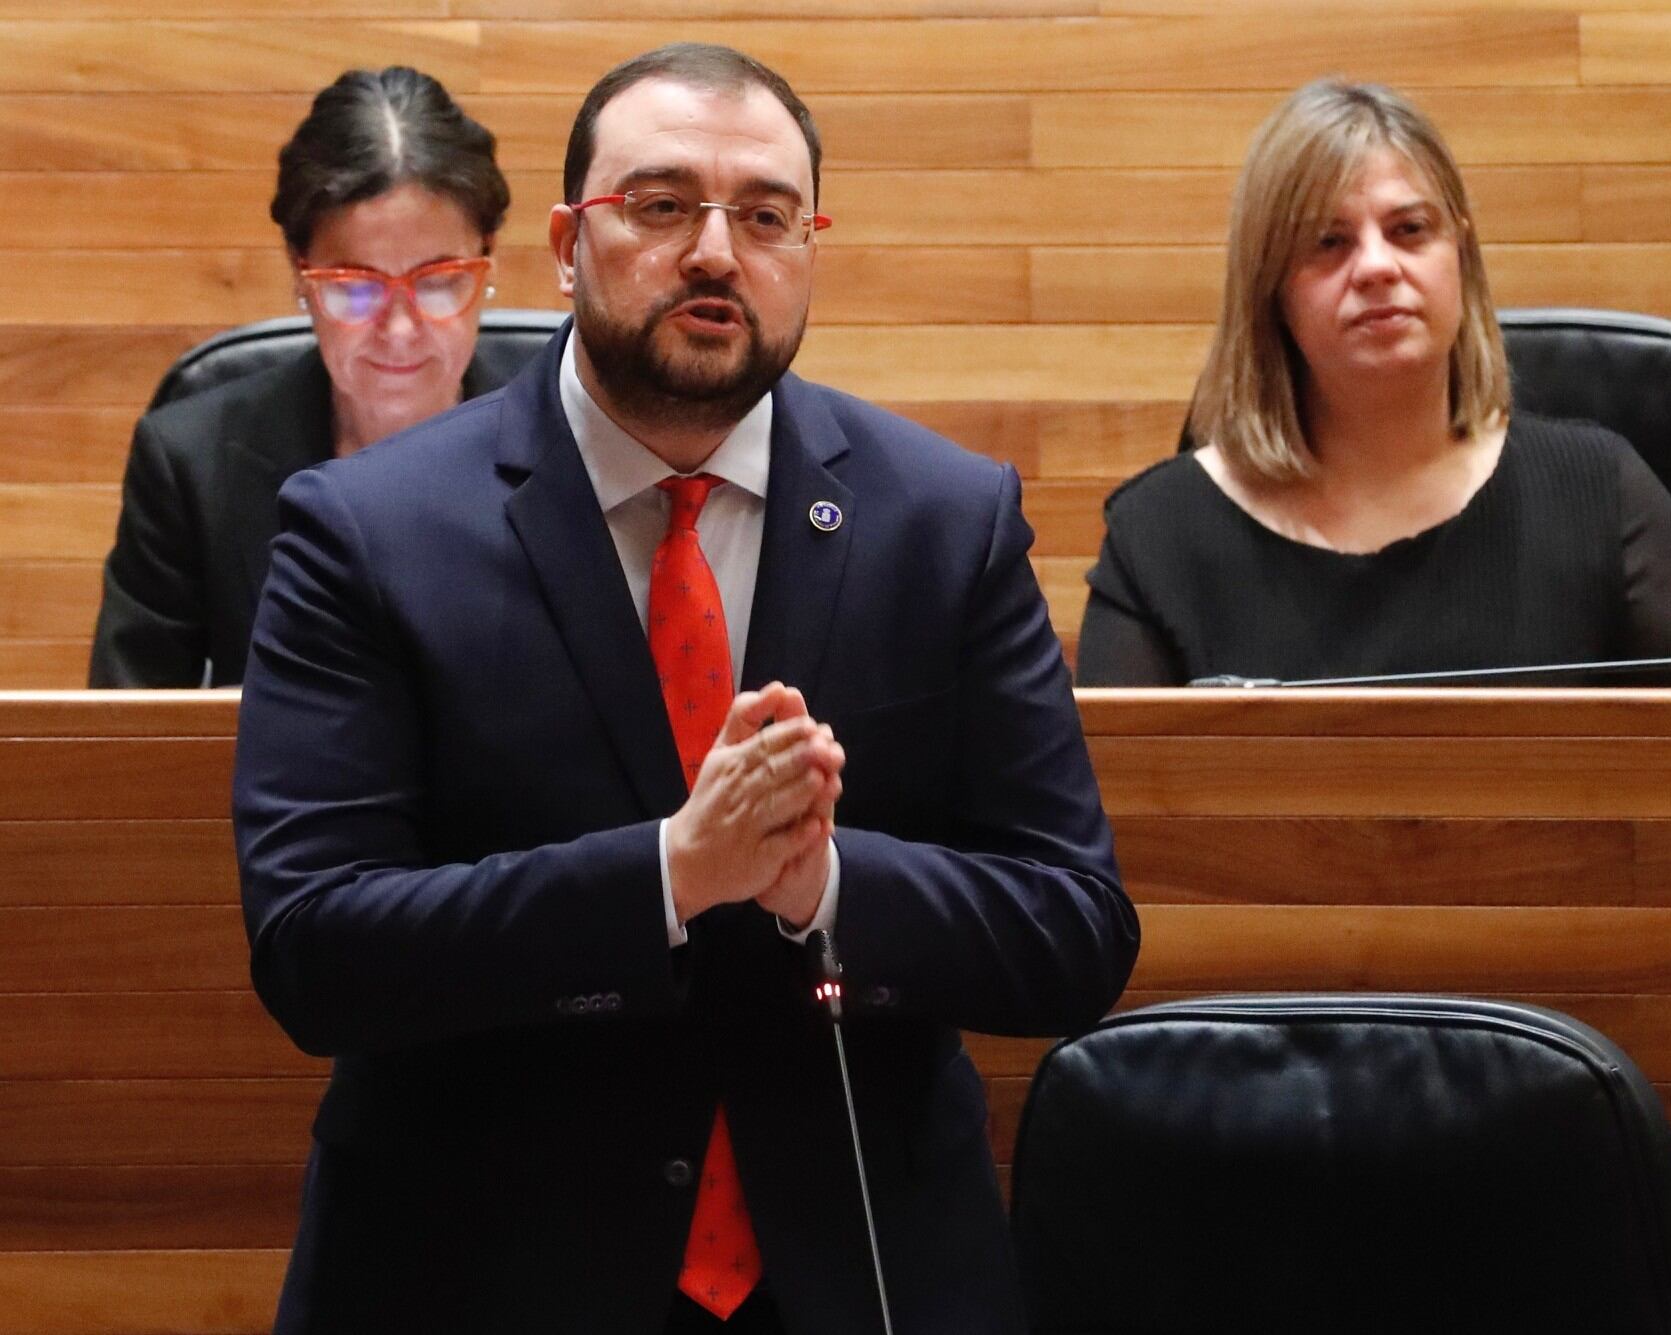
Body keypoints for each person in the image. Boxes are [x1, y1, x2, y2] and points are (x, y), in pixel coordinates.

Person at [232, 42, 1137, 1335]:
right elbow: (316, 952)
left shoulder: (945, 520)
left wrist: (822, 882)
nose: (715, 250)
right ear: (563, 242)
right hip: (477, 1270)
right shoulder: (364, 530)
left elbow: (1072, 933)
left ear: (807, 248)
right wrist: (667, 871)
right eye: (660, 206)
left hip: (858, 1272)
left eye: (764, 215)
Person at [1077, 79, 1671, 687]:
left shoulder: (1603, 495)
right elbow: (1115, 808)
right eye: (1327, 241)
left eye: (1409, 230)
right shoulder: (1156, 535)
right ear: (1269, 289)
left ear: (1460, 256)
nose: (1374, 266)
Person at [89, 66, 511, 687]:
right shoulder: (190, 462)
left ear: (487, 258)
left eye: (440, 280)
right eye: (355, 288)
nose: (399, 330)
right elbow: (132, 745)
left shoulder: (572, 431)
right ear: (299, 270)